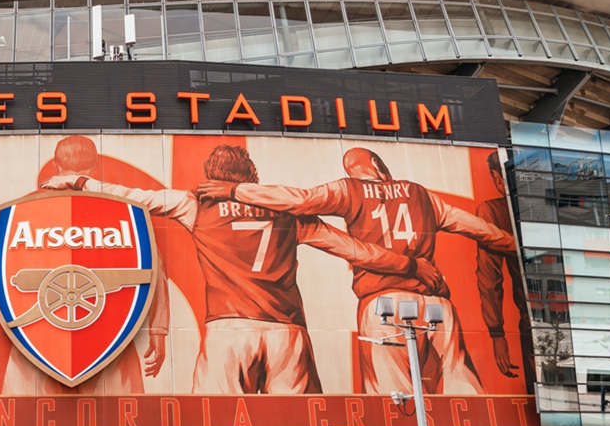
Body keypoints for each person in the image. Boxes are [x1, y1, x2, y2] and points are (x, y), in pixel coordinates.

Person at [46, 144, 441, 394]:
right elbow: (355, 251)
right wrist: (412, 265)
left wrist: (76, 181)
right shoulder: (287, 214)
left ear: (211, 176)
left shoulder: (195, 204)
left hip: (227, 330)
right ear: (252, 178)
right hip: (288, 331)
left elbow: (131, 197)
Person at [199, 146, 517, 394]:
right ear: (381, 168)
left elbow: (299, 201)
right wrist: (520, 245)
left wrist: (232, 191)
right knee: (461, 383)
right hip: (436, 305)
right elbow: (484, 232)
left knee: (394, 397)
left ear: (355, 171)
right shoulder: (422, 194)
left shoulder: (348, 190)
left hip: (384, 302)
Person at [0, 134, 169, 393]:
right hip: (111, 341)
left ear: (56, 166)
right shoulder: (122, 210)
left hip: (33, 343)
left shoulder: (20, 212)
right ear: (95, 167)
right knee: (119, 425)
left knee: (25, 425)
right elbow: (154, 269)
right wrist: (158, 329)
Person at [476, 152, 531, 382]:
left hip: (535, 321)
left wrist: (497, 334)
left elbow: (490, 279)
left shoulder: (494, 211)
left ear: (497, 177)